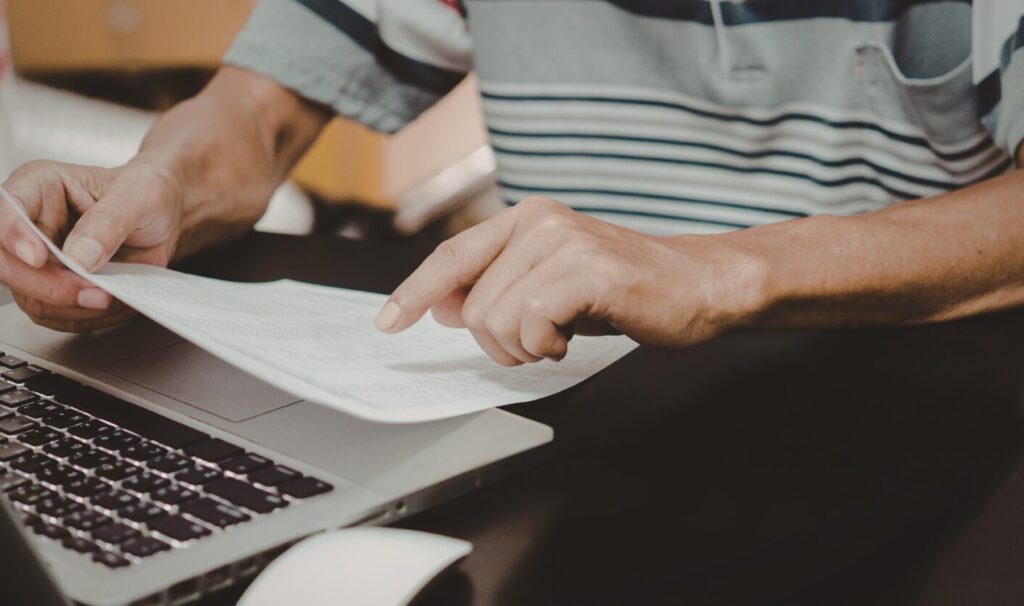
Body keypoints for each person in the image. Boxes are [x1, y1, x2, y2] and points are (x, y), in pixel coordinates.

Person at [2, 1, 1024, 366]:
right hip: (560, 414)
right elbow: (258, 112)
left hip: (923, 417)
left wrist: (717, 270)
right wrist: (159, 182)